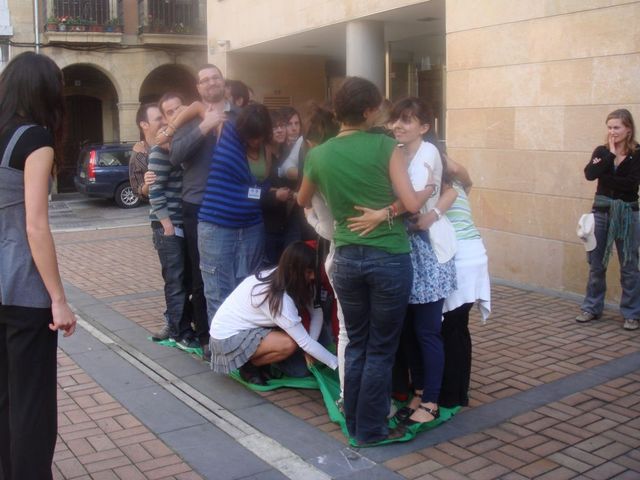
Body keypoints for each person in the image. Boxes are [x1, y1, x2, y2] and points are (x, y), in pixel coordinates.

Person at [298, 77, 435, 445]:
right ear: (369, 110)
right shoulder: (385, 146)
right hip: (388, 256)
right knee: (380, 347)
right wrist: (389, 208)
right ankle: (372, 428)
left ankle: (355, 421)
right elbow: (409, 203)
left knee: (355, 341)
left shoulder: (319, 154)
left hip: (344, 257)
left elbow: (302, 199)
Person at [347, 97, 457, 429]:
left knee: (427, 330)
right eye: (396, 120)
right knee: (409, 330)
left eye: (407, 121)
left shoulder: (428, 153)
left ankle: (433, 400)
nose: (398, 126)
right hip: (400, 249)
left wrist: (386, 212)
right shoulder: (398, 152)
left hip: (427, 251)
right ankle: (418, 390)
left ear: (424, 127)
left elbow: (417, 199)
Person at [0, 52, 77, 480]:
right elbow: (35, 226)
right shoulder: (36, 140)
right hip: (24, 290)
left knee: (5, 399)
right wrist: (59, 300)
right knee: (33, 404)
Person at [163, 65, 237, 355]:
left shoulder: (239, 115)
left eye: (215, 77)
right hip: (199, 204)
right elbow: (176, 156)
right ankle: (208, 336)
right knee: (201, 273)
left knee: (234, 271)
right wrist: (205, 126)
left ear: (223, 81)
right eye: (204, 80)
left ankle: (235, 332)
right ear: (198, 88)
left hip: (233, 204)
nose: (210, 83)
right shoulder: (188, 121)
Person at [210, 242, 337, 385]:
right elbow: (304, 343)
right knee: (289, 344)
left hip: (251, 328)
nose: (313, 276)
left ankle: (260, 361)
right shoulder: (278, 298)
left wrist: (312, 346)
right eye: (308, 272)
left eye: (314, 271)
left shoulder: (285, 275)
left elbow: (316, 313)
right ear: (295, 270)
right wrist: (337, 365)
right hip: (227, 338)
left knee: (304, 356)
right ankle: (249, 367)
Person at [198, 103, 273, 323]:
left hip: (251, 226)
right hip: (217, 224)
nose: (254, 141)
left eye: (259, 136)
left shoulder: (267, 146)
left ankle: (245, 353)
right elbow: (195, 107)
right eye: (251, 136)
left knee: (248, 294)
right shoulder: (226, 129)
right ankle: (222, 354)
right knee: (218, 293)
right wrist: (171, 128)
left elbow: (260, 187)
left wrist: (271, 192)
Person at [577, 109, 640, 330]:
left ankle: (632, 313)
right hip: (601, 214)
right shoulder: (602, 151)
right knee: (597, 263)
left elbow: (631, 184)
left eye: (617, 127)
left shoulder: (637, 153)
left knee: (629, 265)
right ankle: (591, 307)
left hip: (628, 215)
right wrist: (610, 156)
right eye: (609, 127)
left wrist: (607, 176)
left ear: (628, 129)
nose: (612, 132)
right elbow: (590, 174)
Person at [148, 95, 202, 350]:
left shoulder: (184, 142)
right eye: (168, 111)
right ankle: (180, 332)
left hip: (185, 222)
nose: (175, 113)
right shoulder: (161, 148)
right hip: (169, 225)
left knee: (187, 277)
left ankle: (178, 323)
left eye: (178, 108)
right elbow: (155, 189)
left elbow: (196, 106)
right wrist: (167, 224)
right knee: (176, 279)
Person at [439, 156, 491, 408]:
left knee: (449, 329)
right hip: (475, 258)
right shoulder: (459, 185)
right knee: (459, 328)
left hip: (459, 260)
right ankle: (460, 393)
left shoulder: (438, 190)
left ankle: (449, 396)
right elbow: (461, 170)